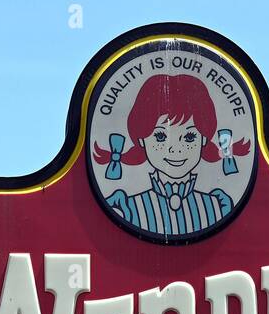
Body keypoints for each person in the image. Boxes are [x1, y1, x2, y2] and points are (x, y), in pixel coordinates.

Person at [93, 73, 251, 237]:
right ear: (141, 140)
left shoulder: (217, 206)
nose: (175, 149)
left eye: (190, 137)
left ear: (204, 139)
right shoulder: (128, 207)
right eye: (160, 136)